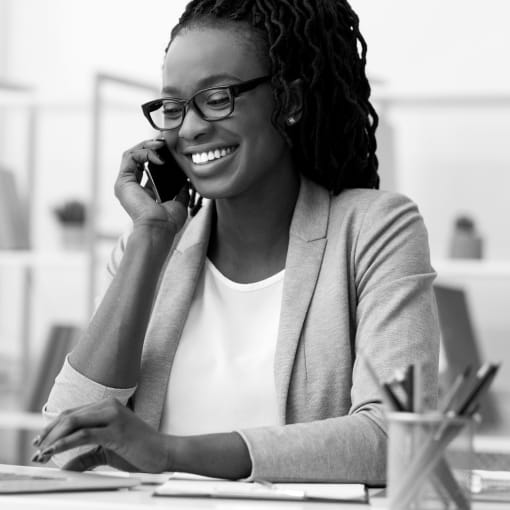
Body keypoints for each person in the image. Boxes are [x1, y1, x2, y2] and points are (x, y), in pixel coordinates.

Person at [35, 0, 439, 484]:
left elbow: (395, 438)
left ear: (288, 102)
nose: (189, 128)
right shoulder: (151, 249)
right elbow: (63, 448)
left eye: (217, 96)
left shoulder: (374, 229)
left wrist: (167, 452)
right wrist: (150, 237)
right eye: (172, 107)